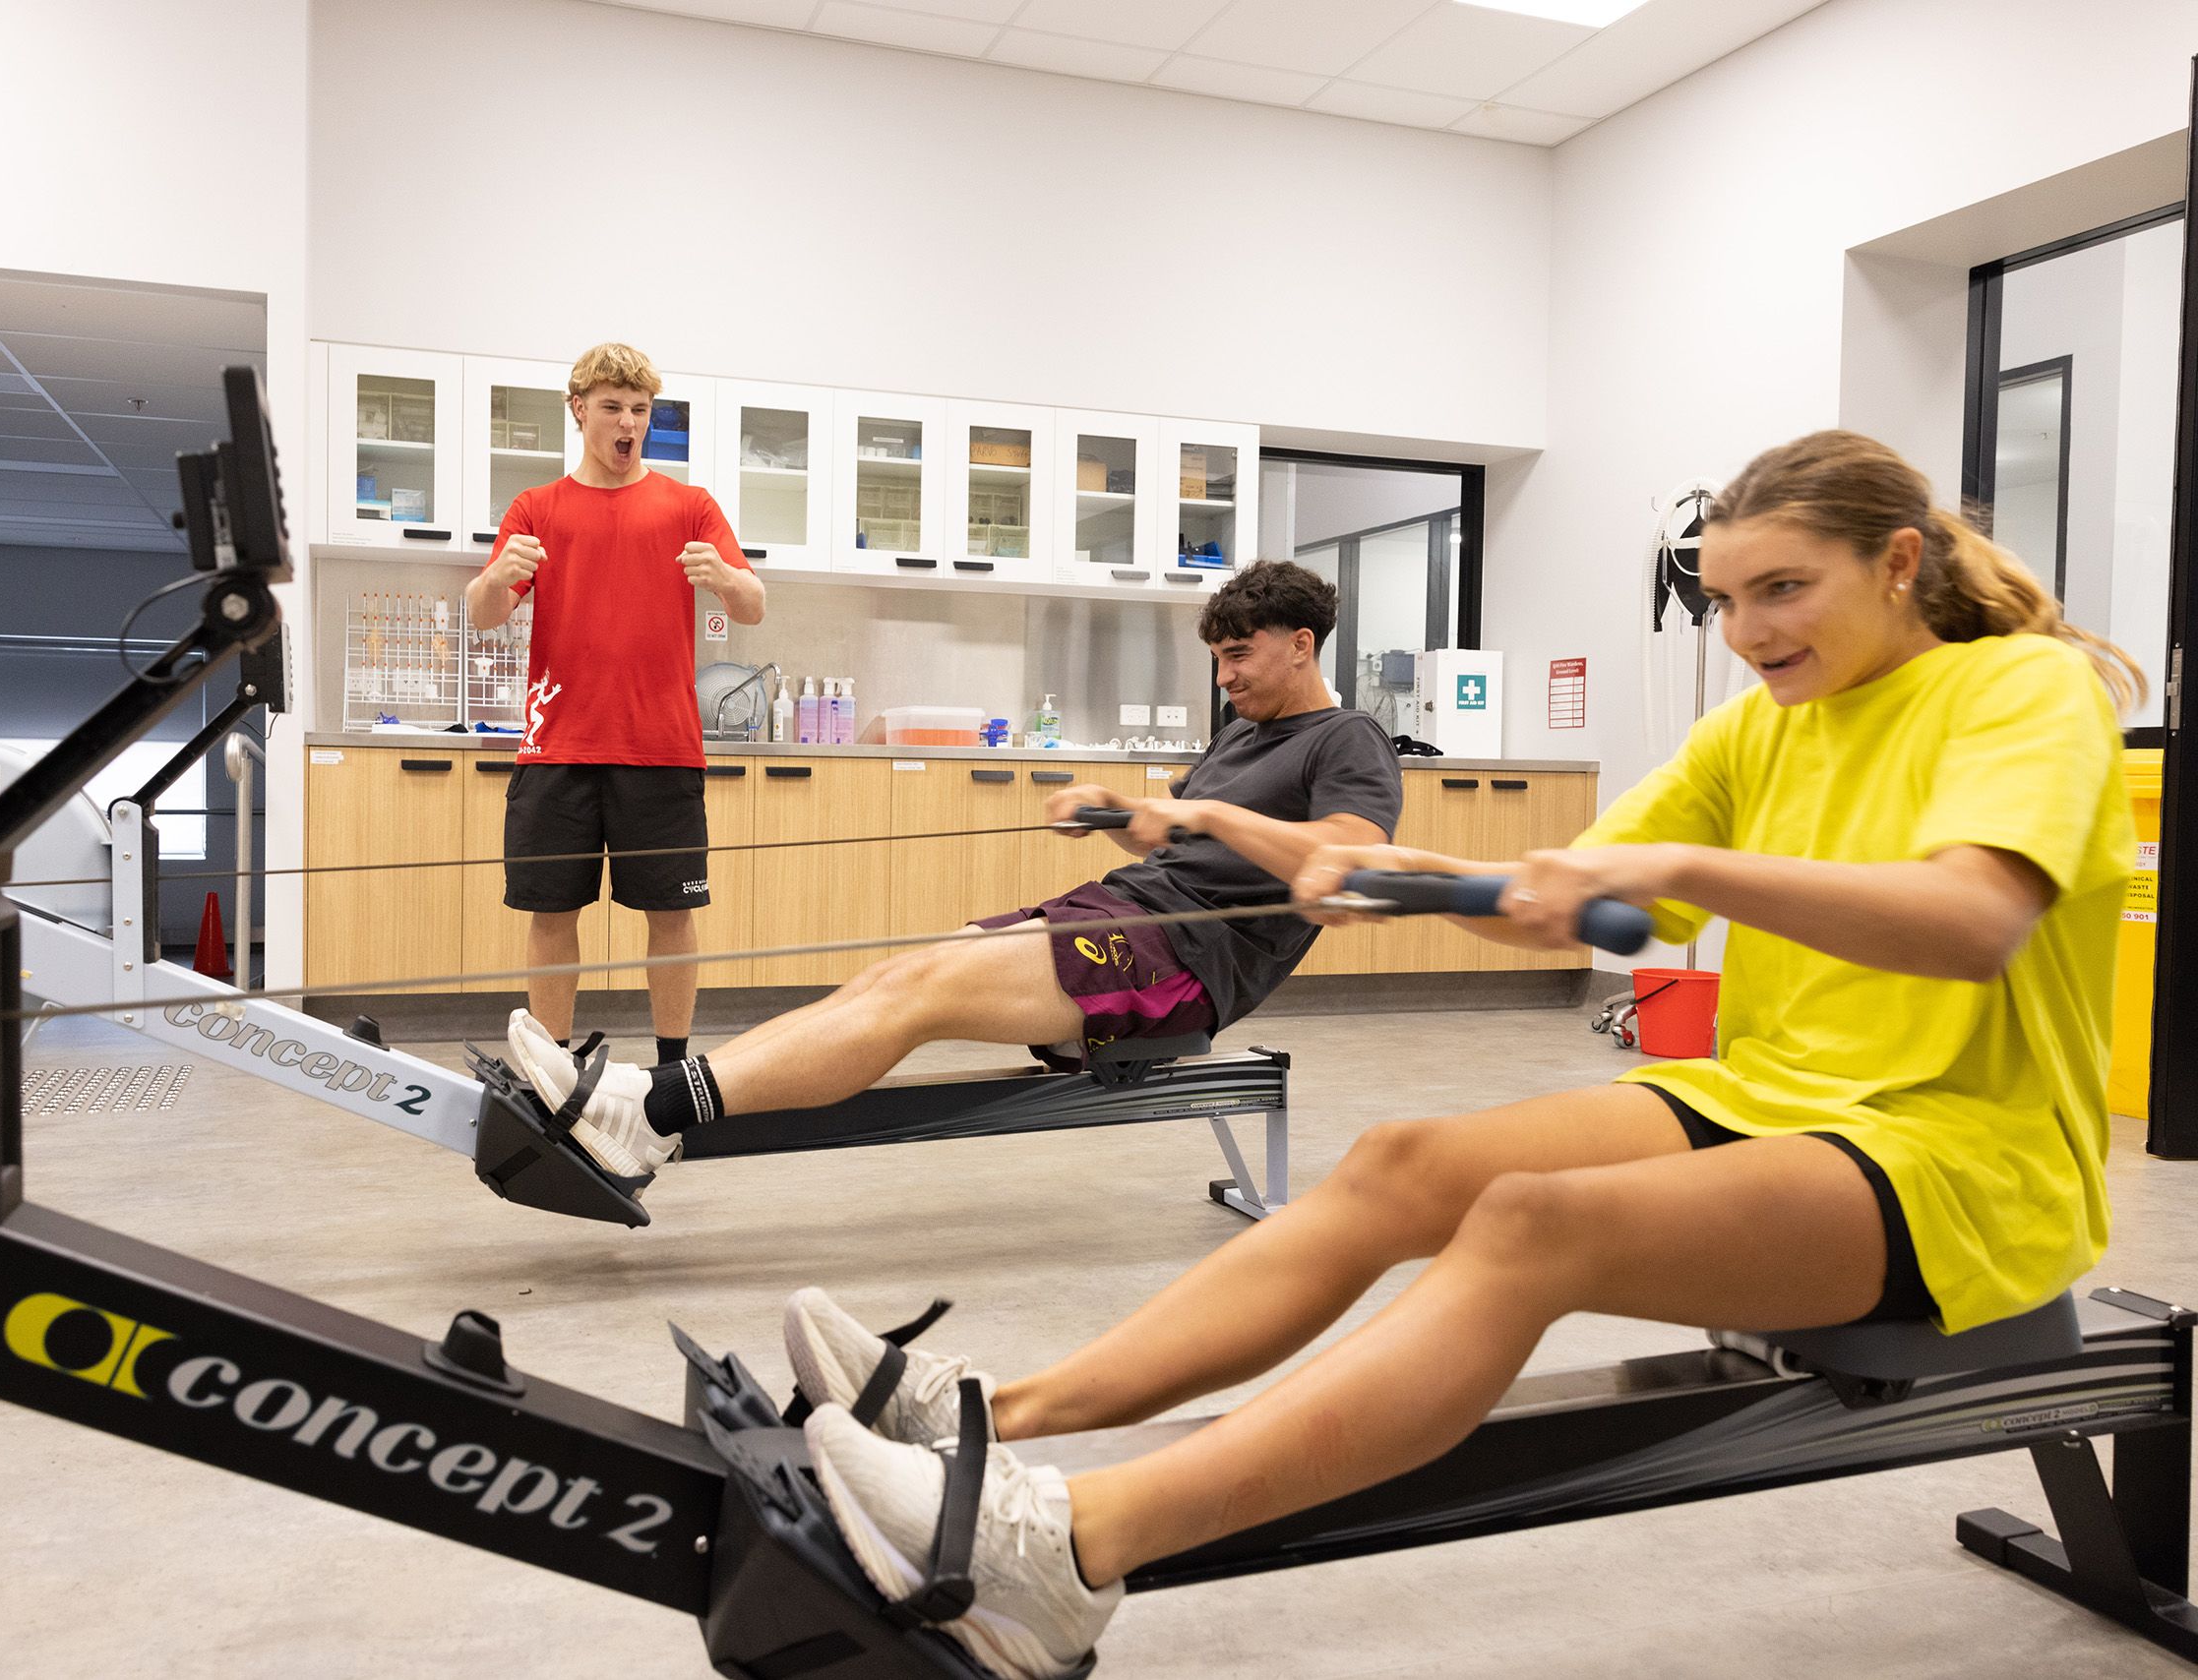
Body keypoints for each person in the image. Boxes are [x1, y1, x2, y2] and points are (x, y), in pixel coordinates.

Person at [765, 430, 2143, 1680]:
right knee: (1401, 1161)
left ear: (1900, 563)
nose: (1744, 632)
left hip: (1965, 1151)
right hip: (1762, 1101)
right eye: (1724, 599)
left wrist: (1684, 866)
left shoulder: (2020, 691)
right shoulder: (1757, 726)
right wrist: (1374, 875)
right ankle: (989, 1415)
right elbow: (1572, 891)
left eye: (1781, 590)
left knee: (1535, 1226)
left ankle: (1067, 1554)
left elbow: (1971, 923)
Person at [504, 559, 1404, 1179]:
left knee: (919, 992)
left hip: (1188, 965)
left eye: (1239, 657)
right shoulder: (1243, 735)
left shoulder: (1348, 737)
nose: (1225, 677)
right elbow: (1178, 844)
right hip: (1129, 914)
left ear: (1302, 642)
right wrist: (1125, 818)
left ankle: (649, 1114)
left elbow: (1355, 864)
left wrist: (1202, 810)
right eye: (1216, 659)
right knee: (901, 972)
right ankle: (648, 1108)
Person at [465, 343, 764, 1072]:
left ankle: (672, 1072)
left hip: (660, 749)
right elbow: (483, 611)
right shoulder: (536, 508)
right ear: (579, 411)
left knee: (672, 915)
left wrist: (724, 575)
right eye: (612, 408)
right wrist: (497, 575)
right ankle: (553, 1073)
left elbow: (752, 606)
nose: (628, 423)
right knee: (551, 913)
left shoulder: (688, 505)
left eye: (639, 410)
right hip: (558, 748)